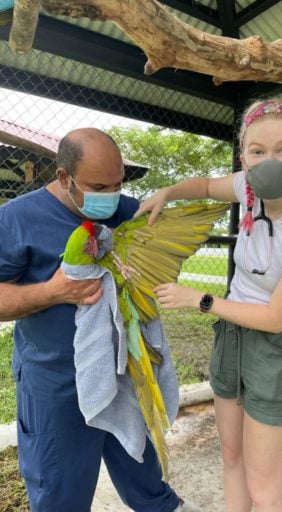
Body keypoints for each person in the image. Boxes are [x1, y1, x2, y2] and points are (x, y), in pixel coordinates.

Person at [135, 98, 282, 512]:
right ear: (244, 156)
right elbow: (205, 186)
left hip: (279, 348)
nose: (270, 161)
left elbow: (277, 317)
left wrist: (200, 300)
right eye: (257, 151)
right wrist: (168, 192)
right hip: (233, 336)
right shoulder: (246, 189)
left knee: (264, 484)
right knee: (231, 457)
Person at [0, 128, 201, 512]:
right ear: (64, 177)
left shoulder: (127, 211)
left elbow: (158, 268)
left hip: (125, 371)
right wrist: (52, 292)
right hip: (57, 382)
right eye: (98, 186)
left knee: (144, 471)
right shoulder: (15, 220)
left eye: (117, 184)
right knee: (61, 492)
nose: (110, 196)